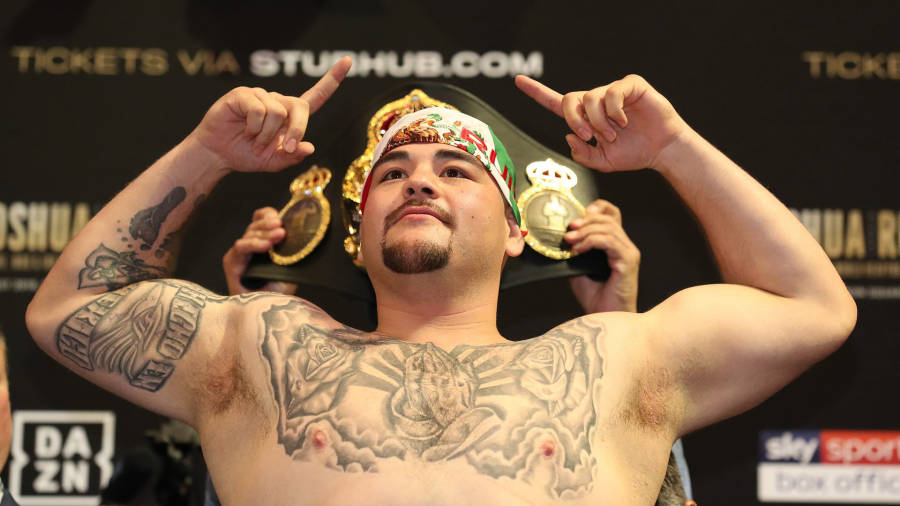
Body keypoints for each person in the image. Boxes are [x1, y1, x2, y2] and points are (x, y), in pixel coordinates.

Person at [25, 56, 856, 505]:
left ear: (519, 231)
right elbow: (71, 309)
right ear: (356, 236)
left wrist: (674, 147)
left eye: (457, 170)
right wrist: (206, 154)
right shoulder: (266, 349)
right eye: (392, 173)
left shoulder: (614, 360)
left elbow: (811, 308)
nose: (419, 181)